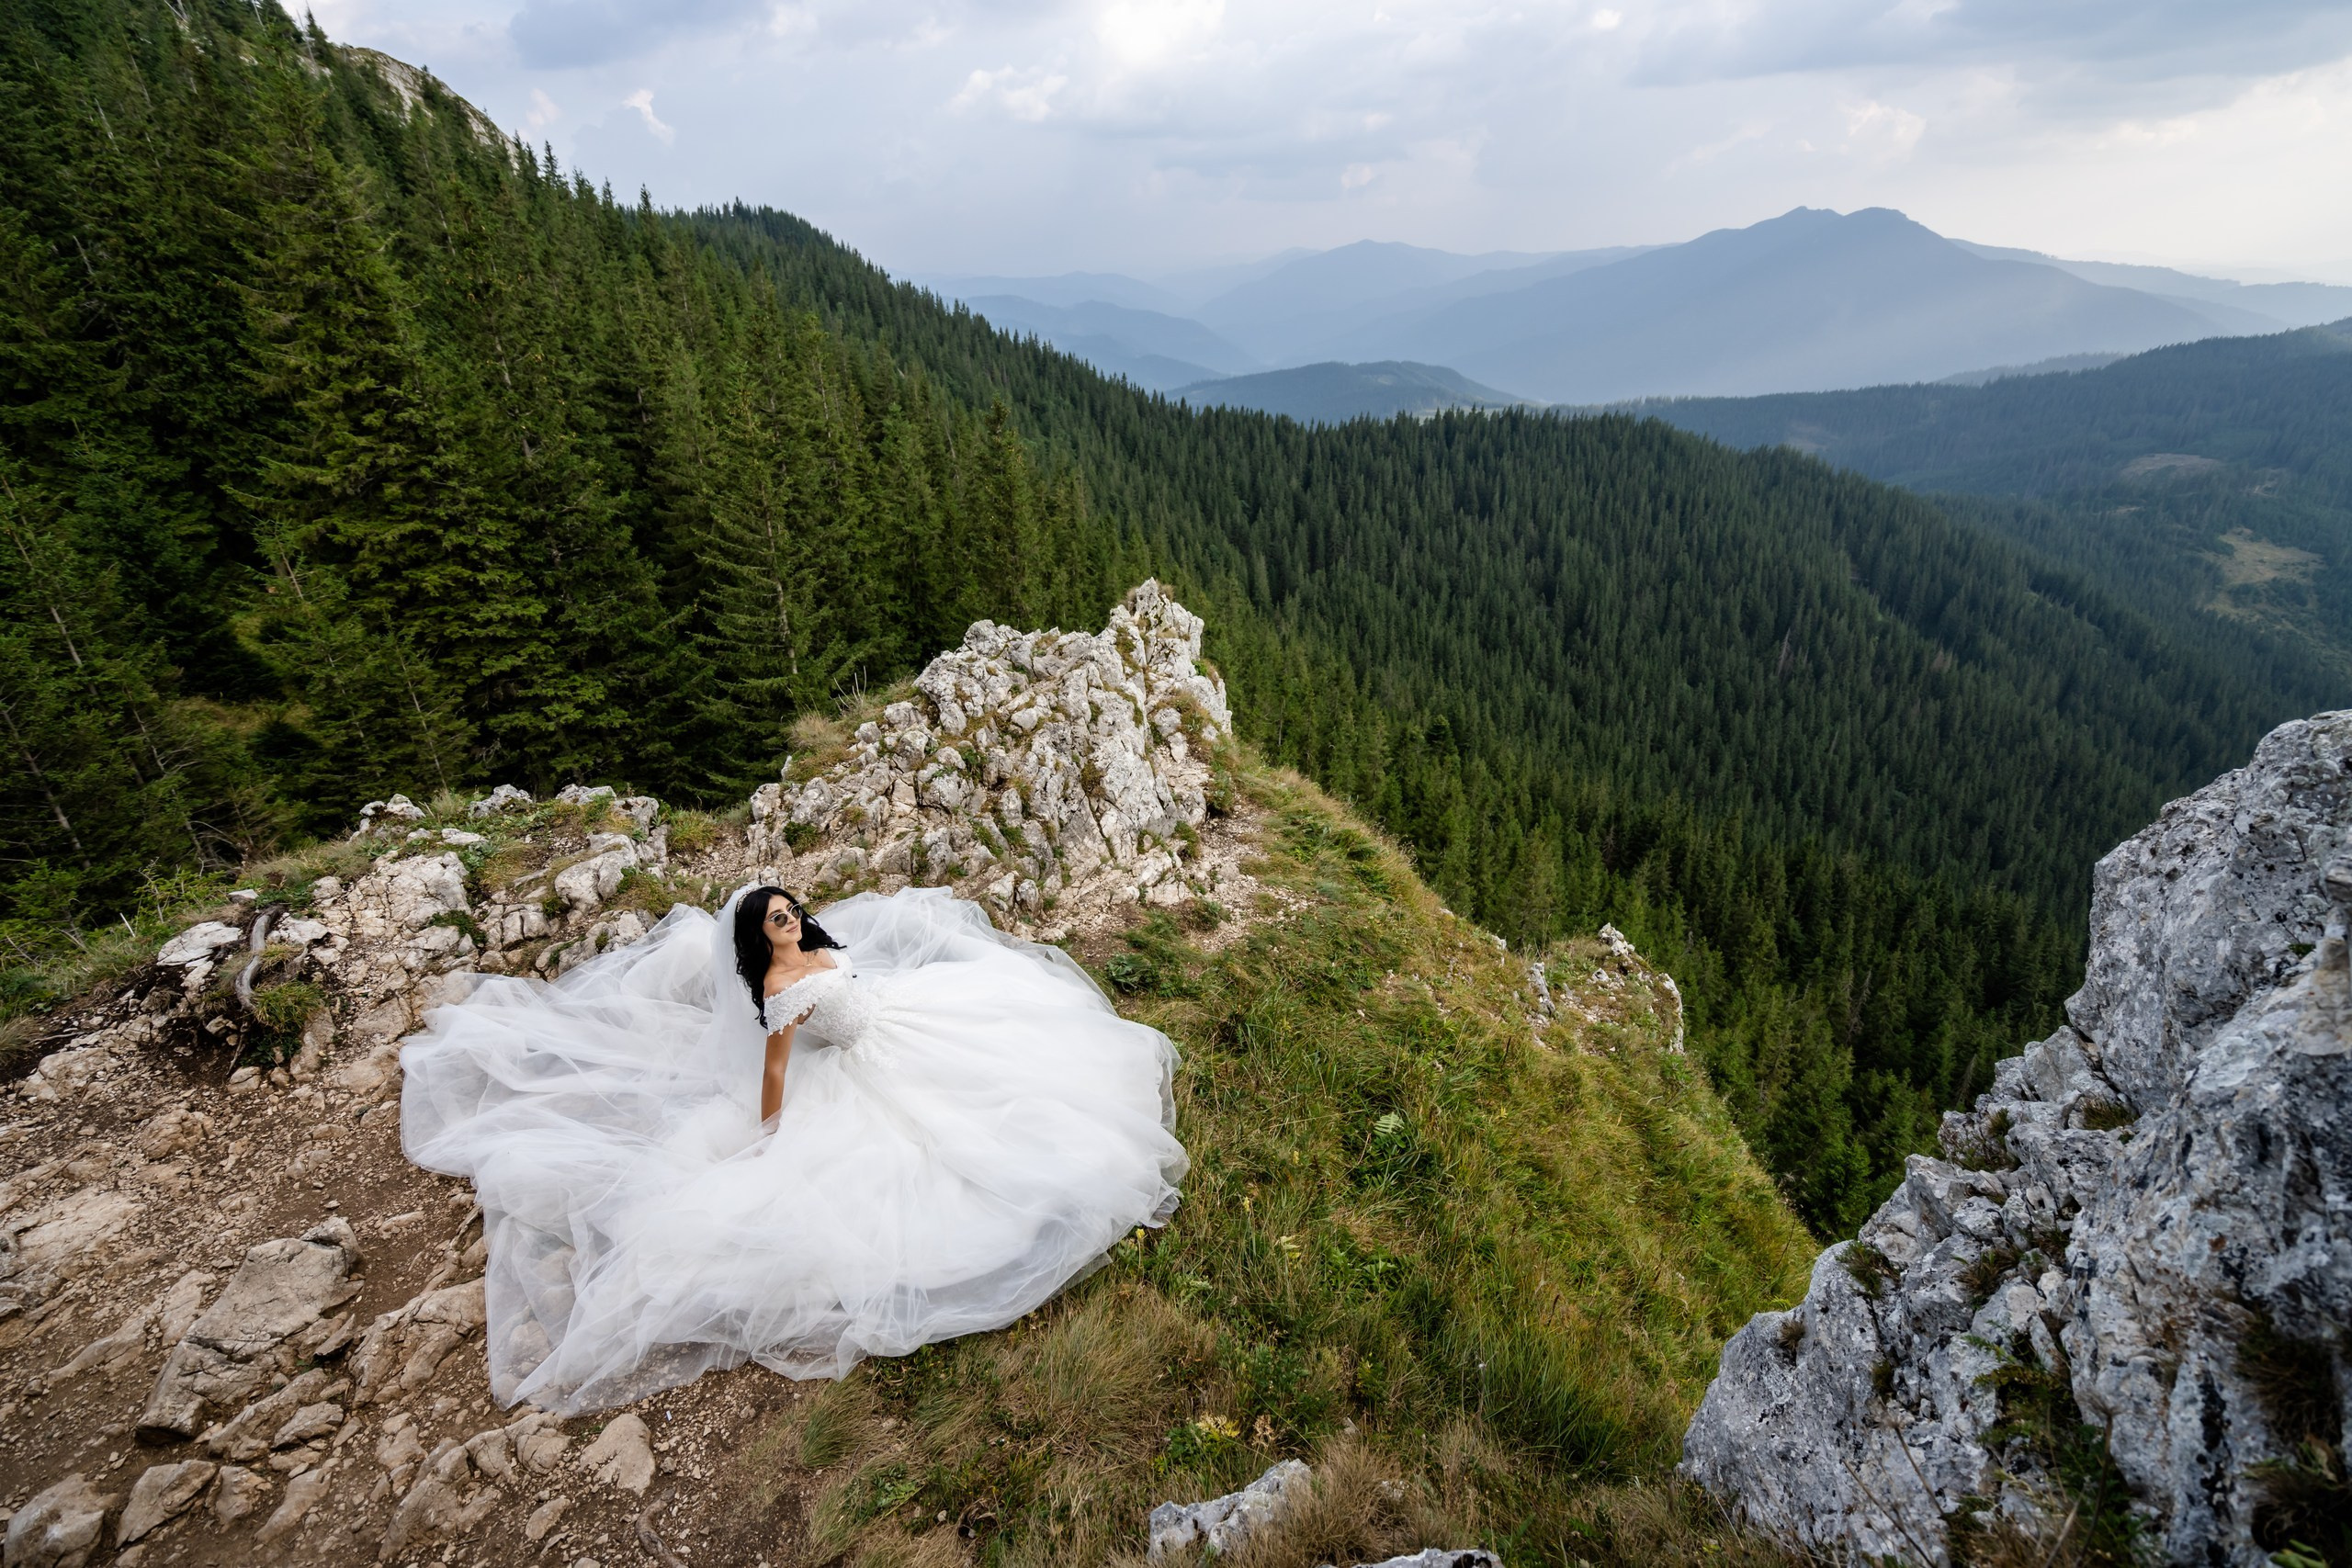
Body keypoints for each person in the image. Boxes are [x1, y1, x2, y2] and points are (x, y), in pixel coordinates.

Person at [399, 882, 1188, 1415]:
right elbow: (777, 1068)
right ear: (756, 935)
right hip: (865, 1074)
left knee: (1036, 1042)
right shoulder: (780, 991)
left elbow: (853, 984)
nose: (789, 919)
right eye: (775, 917)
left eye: (790, 909)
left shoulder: (818, 950)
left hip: (905, 1024)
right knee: (952, 1160)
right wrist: (771, 1138)